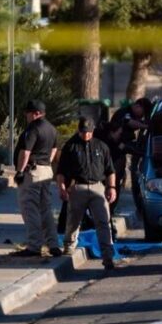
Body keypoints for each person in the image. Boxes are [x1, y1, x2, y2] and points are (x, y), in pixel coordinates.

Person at [56, 116, 118, 270]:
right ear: (79, 130)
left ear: (93, 131)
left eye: (89, 132)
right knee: (73, 221)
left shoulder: (101, 147)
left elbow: (110, 170)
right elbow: (61, 171)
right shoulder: (70, 147)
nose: (86, 135)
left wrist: (111, 187)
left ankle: (108, 256)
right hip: (78, 187)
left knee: (103, 222)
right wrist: (62, 188)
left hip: (98, 187)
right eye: (83, 132)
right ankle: (69, 247)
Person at [11, 100, 61, 257]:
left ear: (36, 113)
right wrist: (46, 162)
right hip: (46, 170)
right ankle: (53, 244)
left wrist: (20, 171)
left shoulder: (33, 128)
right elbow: (54, 149)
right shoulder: (51, 129)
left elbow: (25, 152)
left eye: (28, 113)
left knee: (30, 208)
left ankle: (34, 246)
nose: (26, 116)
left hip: (32, 172)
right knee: (45, 209)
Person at [108, 98, 151, 215]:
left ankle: (110, 210)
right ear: (138, 106)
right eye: (142, 112)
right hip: (114, 153)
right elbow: (129, 122)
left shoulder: (133, 115)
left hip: (120, 153)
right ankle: (108, 210)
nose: (141, 116)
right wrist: (145, 126)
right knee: (114, 181)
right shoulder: (125, 113)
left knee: (118, 180)